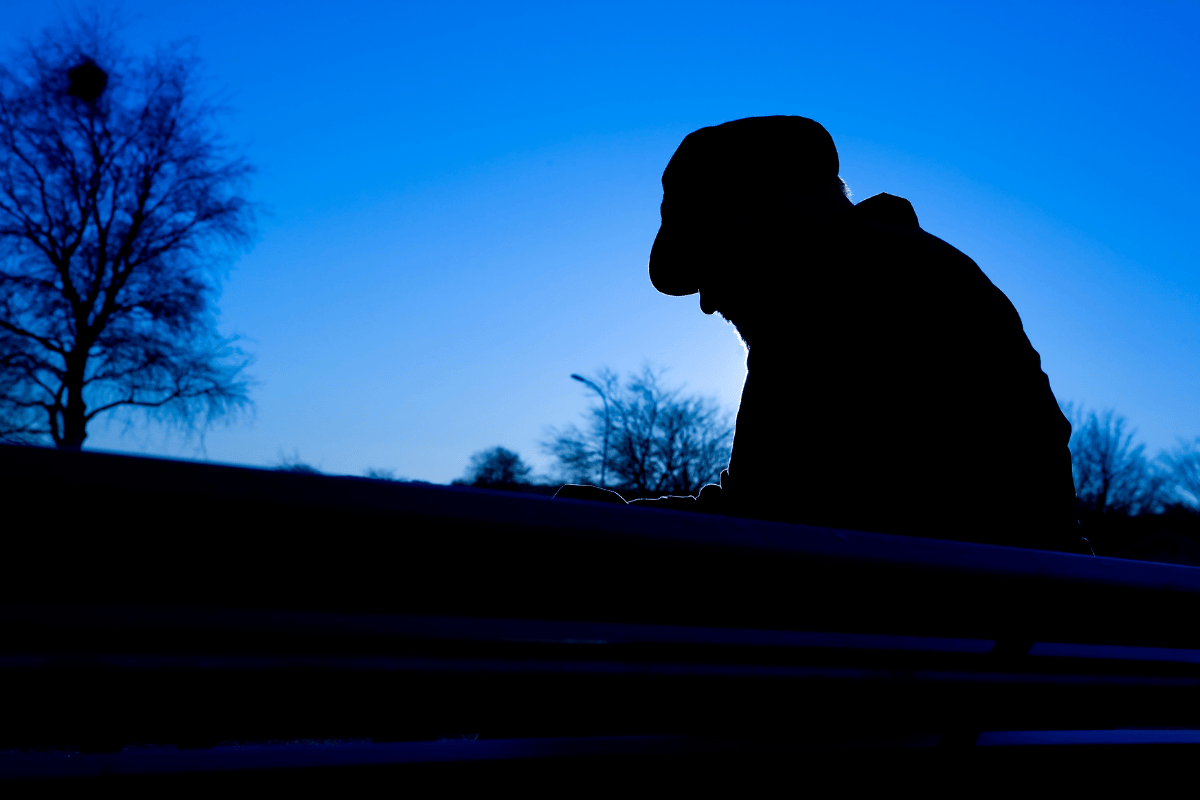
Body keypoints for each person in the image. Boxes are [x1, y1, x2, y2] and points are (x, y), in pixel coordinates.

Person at [558, 115, 1086, 554]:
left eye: (707, 257)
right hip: (990, 626)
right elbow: (773, 507)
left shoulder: (841, 295)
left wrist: (616, 529)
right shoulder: (886, 273)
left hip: (948, 635)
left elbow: (768, 528)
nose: (708, 300)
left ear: (750, 220)